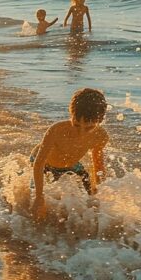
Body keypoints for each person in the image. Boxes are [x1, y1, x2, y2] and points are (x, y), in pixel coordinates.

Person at [30, 88, 109, 222]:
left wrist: (101, 191)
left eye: (89, 128)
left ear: (100, 120)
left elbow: (98, 166)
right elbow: (38, 163)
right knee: (31, 199)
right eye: (77, 125)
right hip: (44, 164)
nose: (82, 133)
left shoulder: (100, 136)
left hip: (72, 166)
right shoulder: (56, 130)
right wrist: (39, 197)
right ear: (71, 114)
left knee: (93, 198)